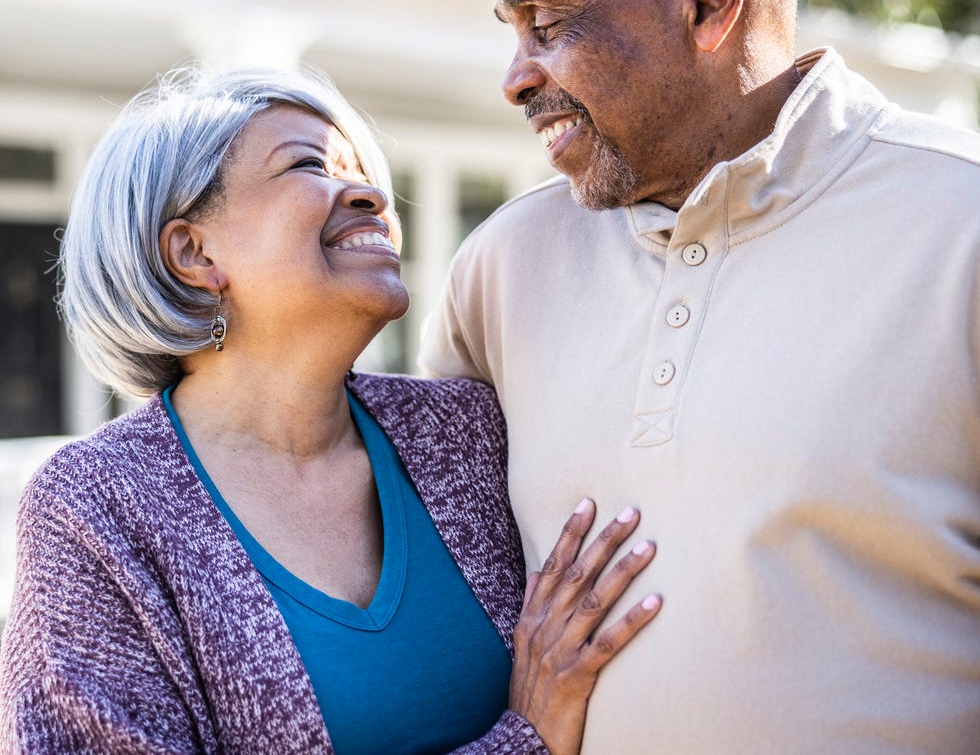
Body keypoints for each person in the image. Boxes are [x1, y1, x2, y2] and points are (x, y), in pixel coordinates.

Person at [420, 0, 980, 753]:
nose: (516, 78)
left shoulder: (959, 221)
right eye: (512, 34)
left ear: (709, 2)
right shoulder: (502, 265)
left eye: (547, 24)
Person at [0, 67, 662, 754]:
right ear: (193, 252)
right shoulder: (96, 507)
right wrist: (526, 740)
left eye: (365, 171)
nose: (374, 195)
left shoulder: (464, 434)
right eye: (310, 164)